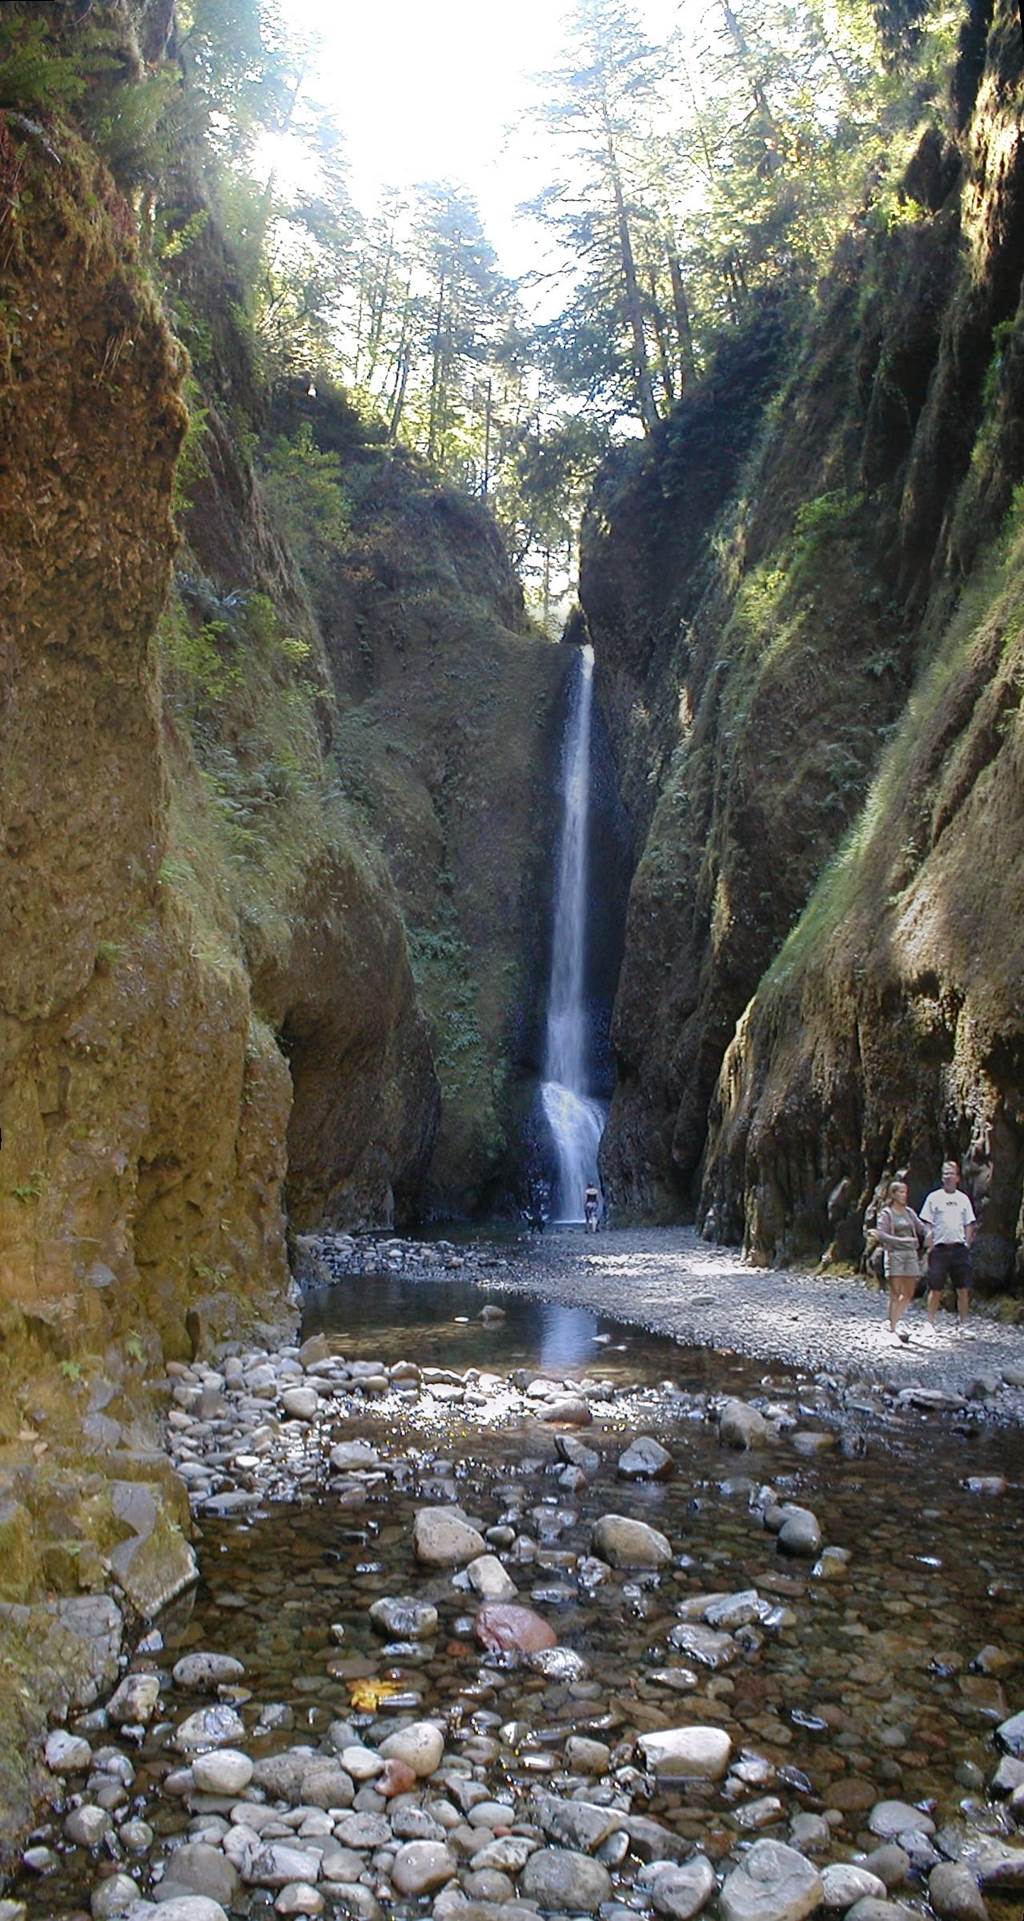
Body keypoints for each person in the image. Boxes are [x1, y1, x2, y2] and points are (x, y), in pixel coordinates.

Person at [919, 1160, 976, 1332]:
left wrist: (967, 1242)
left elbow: (969, 1223)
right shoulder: (933, 1198)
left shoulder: (963, 1199)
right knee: (935, 1288)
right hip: (939, 1249)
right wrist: (929, 1235)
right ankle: (930, 1323)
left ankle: (964, 1323)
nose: (948, 1176)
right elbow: (926, 1221)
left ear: (957, 1177)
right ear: (942, 1177)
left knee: (963, 1288)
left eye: (951, 1173)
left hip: (959, 1248)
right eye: (945, 1173)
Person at [871, 1178, 929, 1343]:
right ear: (893, 1194)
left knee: (909, 1291)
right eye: (901, 1192)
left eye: (905, 1192)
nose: (904, 1195)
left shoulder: (909, 1212)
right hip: (895, 1255)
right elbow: (881, 1234)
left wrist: (928, 1233)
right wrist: (903, 1242)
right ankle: (892, 1328)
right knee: (895, 1292)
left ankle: (895, 1320)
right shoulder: (887, 1213)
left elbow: (920, 1227)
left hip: (910, 1255)